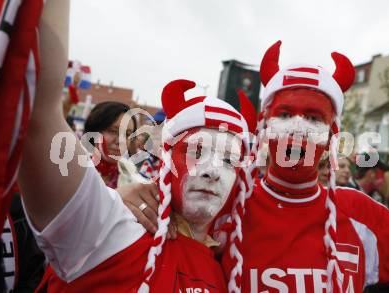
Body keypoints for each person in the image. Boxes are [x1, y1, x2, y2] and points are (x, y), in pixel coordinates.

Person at [134, 41, 389, 292]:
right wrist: (128, 195)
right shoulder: (226, 202)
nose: (298, 128)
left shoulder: (358, 212)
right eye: (285, 113)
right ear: (264, 127)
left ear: (332, 134)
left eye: (315, 118)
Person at [16, 3, 257, 291]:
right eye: (196, 152)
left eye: (229, 160)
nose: (212, 172)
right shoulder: (109, 229)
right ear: (165, 157)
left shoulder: (228, 266)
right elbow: (35, 115)